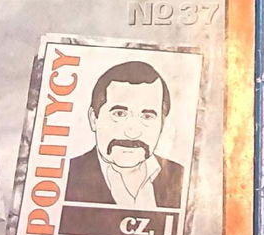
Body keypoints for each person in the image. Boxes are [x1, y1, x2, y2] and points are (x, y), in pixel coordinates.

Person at [66, 60, 184, 209]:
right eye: (120, 114)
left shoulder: (181, 177)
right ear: (93, 118)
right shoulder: (66, 176)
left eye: (147, 116)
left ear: (162, 124)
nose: (132, 132)